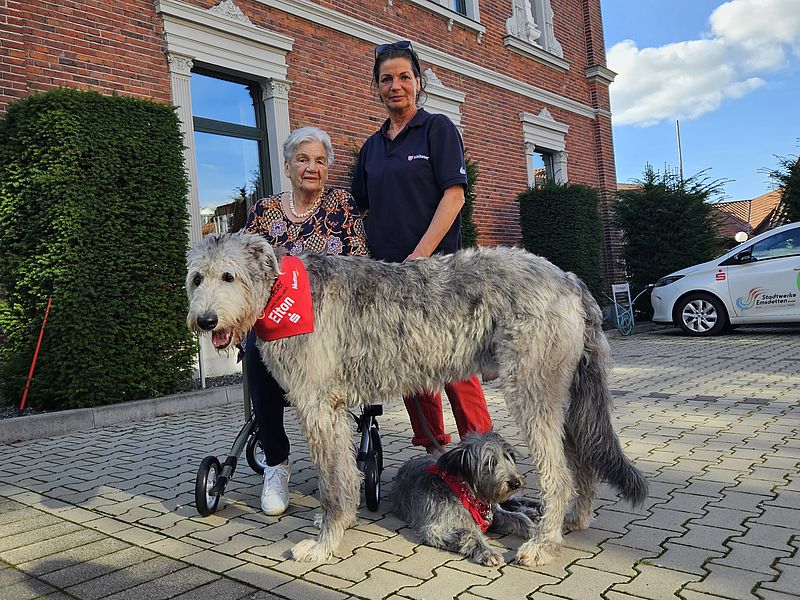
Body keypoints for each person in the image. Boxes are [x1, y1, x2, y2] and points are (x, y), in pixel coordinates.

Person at [351, 40, 492, 454]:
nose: (395, 86)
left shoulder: (438, 129)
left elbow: (455, 196)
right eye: (386, 79)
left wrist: (420, 255)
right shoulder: (371, 148)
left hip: (440, 275)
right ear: (377, 86)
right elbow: (356, 208)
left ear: (418, 82)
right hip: (389, 278)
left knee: (456, 365)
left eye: (404, 77)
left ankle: (483, 457)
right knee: (412, 367)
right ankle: (435, 455)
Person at [244, 126, 367, 515]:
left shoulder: (341, 205)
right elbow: (245, 270)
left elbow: (360, 267)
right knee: (256, 353)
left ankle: (332, 468)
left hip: (330, 327)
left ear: (327, 168)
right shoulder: (265, 211)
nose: (311, 167)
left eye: (319, 161)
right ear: (287, 166)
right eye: (302, 159)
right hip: (278, 325)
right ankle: (276, 463)